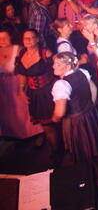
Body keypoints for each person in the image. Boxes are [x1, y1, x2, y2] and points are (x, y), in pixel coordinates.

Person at [50, 52, 98, 163]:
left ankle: (88, 171)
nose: (53, 66)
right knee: (90, 146)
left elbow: (60, 112)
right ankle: (93, 169)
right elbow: (94, 89)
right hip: (89, 115)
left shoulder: (61, 84)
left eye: (58, 64)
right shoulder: (82, 72)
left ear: (68, 66)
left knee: (81, 152)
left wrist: (54, 119)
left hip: (75, 122)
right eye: (54, 63)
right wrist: (89, 106)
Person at [15, 29, 60, 165]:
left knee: (54, 123)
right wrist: (22, 90)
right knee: (46, 125)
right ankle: (56, 149)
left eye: (31, 38)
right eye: (26, 38)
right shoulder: (21, 53)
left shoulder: (45, 53)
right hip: (34, 94)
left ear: (37, 39)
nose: (28, 41)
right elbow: (22, 74)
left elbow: (59, 69)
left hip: (49, 92)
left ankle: (58, 151)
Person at [0, 29, 43, 139]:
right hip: (3, 86)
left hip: (17, 82)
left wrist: (22, 87)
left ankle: (34, 134)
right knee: (8, 111)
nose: (2, 40)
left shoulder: (18, 49)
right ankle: (13, 134)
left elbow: (25, 69)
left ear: (11, 37)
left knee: (23, 109)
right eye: (0, 38)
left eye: (5, 37)